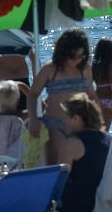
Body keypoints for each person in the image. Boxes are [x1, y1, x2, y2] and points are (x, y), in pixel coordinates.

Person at [28, 28, 95, 165]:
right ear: (63, 52)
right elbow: (33, 95)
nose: (76, 60)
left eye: (81, 56)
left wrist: (97, 122)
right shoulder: (49, 69)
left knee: (80, 168)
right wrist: (33, 119)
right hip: (55, 124)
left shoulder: (85, 69)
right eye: (73, 56)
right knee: (57, 167)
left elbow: (92, 96)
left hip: (81, 126)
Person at [58, 94, 112, 212]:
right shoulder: (109, 140)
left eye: (65, 117)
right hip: (106, 205)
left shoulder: (71, 144)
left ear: (76, 118)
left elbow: (60, 182)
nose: (63, 121)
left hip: (78, 208)